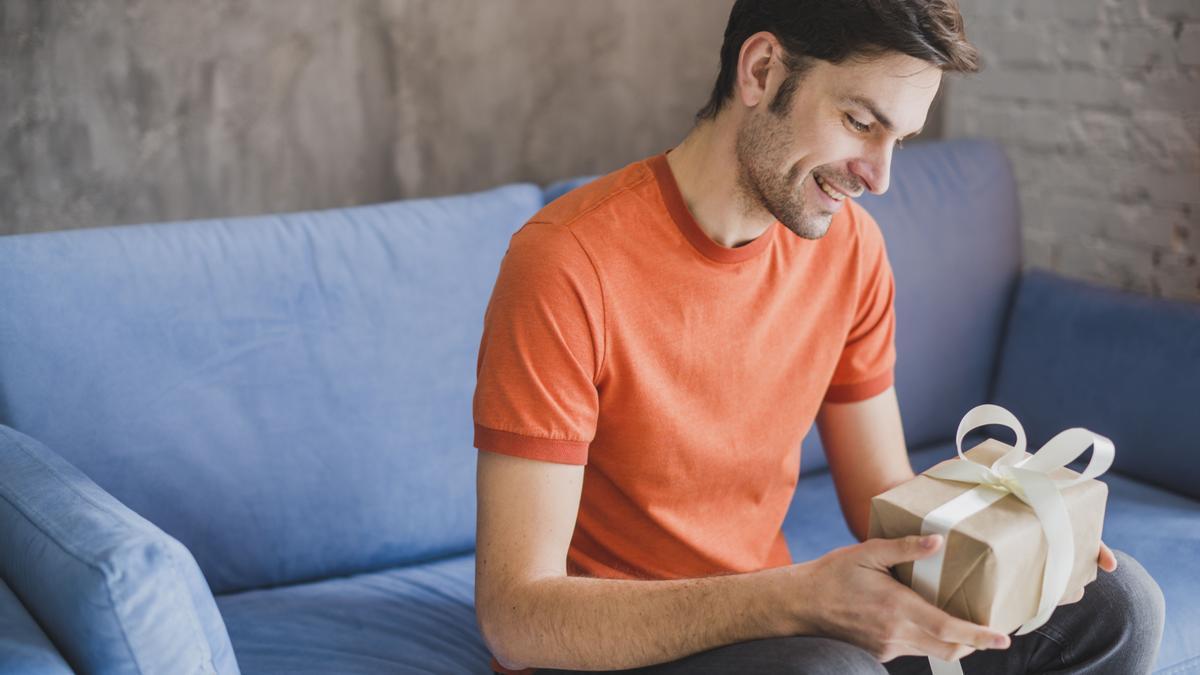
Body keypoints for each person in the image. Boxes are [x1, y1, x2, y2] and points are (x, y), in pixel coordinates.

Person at [471, 1, 1165, 673]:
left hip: (777, 629)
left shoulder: (850, 247)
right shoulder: (567, 262)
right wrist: (793, 598)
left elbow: (886, 509)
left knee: (1118, 604)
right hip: (615, 647)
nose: (880, 175)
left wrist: (1017, 536)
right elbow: (516, 617)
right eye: (861, 121)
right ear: (763, 70)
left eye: (899, 140)